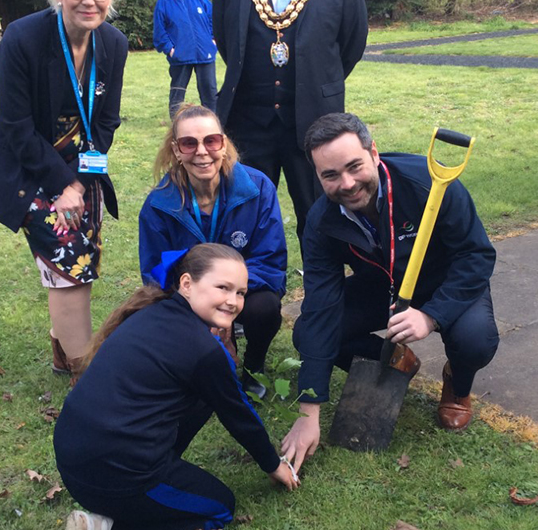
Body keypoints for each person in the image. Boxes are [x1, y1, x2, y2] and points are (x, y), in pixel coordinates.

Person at [281, 113, 499, 471]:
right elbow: (321, 307)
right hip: (382, 286)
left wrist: (431, 315)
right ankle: (398, 362)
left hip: (447, 280)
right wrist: (309, 410)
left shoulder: (431, 185)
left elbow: (476, 255)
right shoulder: (321, 223)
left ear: (374, 153)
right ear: (317, 176)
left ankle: (457, 384)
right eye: (331, 175)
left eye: (354, 166)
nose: (347, 183)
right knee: (308, 333)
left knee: (475, 340)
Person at [55, 243, 299, 530]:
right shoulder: (204, 350)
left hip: (72, 464)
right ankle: (110, 525)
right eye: (223, 287)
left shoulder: (148, 314)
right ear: (186, 284)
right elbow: (239, 415)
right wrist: (273, 465)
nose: (233, 301)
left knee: (205, 396)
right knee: (219, 508)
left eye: (241, 293)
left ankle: (117, 507)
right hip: (119, 477)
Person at [0, 0, 130, 381]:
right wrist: (61, 185)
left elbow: (105, 124)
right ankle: (88, 375)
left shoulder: (115, 44)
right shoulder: (23, 38)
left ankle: (62, 350)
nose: (89, 0)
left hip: (82, 171)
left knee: (84, 252)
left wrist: (80, 184)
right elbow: (16, 125)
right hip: (29, 169)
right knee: (72, 264)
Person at [212, 0, 368, 244]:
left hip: (316, 123)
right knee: (243, 224)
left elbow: (351, 43)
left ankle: (323, 302)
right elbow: (227, 41)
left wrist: (317, 81)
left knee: (322, 224)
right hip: (248, 124)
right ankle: (251, 303)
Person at [138, 104, 287, 397]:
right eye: (189, 143)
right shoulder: (158, 205)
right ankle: (196, 363)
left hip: (246, 291)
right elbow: (156, 274)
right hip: (190, 297)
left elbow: (270, 263)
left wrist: (227, 295)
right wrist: (206, 302)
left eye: (211, 141)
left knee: (266, 307)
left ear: (224, 143)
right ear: (176, 150)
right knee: (152, 314)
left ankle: (254, 367)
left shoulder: (258, 188)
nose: (202, 152)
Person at [153, 0, 218, 118]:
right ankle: (176, 121)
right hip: (180, 55)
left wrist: (213, 39)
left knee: (209, 89)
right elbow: (159, 29)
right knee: (178, 90)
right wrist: (170, 49)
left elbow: (213, 18)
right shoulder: (163, 2)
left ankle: (213, 119)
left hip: (204, 52)